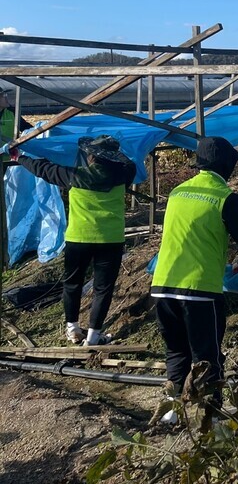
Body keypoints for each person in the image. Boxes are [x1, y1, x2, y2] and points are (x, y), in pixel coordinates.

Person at [151, 137, 238, 409]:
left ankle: (172, 411)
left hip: (163, 285)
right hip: (199, 289)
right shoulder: (225, 198)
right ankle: (210, 413)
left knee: (176, 351)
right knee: (207, 356)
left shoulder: (177, 192)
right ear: (228, 166)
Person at [14, 135, 136, 345]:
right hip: (111, 240)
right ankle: (94, 336)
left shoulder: (73, 175)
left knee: (72, 284)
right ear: (113, 157)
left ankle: (72, 329)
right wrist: (116, 154)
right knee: (103, 289)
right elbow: (130, 163)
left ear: (91, 157)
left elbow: (42, 168)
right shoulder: (124, 175)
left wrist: (19, 157)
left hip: (79, 239)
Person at [0, 86, 31, 162]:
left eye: (6, 95)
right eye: (3, 95)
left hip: (11, 160)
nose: (6, 98)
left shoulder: (12, 112)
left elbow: (27, 128)